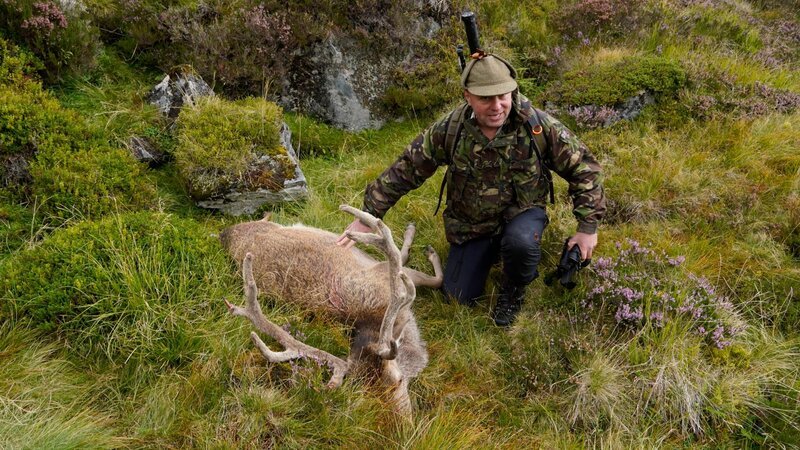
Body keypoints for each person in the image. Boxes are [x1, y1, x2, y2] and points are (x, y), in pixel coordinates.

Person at [336, 52, 606, 327]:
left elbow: (584, 167)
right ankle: (491, 251)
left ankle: (513, 289)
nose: (497, 106)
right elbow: (407, 168)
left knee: (521, 244)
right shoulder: (451, 130)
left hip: (522, 213)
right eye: (486, 98)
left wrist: (587, 228)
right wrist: (367, 215)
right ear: (468, 96)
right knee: (459, 295)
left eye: (503, 95)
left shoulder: (536, 126)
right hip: (472, 224)